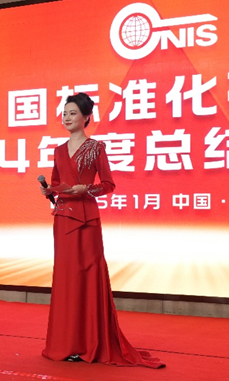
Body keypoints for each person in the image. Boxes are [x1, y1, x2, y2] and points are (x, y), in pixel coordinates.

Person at [39, 93, 164, 368]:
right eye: (65, 113)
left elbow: (108, 184)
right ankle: (66, 343)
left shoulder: (96, 148)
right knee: (66, 279)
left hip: (87, 221)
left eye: (72, 113)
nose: (67, 117)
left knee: (87, 276)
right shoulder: (58, 151)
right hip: (63, 220)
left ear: (86, 117)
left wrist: (86, 189)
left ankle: (89, 342)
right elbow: (57, 183)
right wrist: (49, 191)